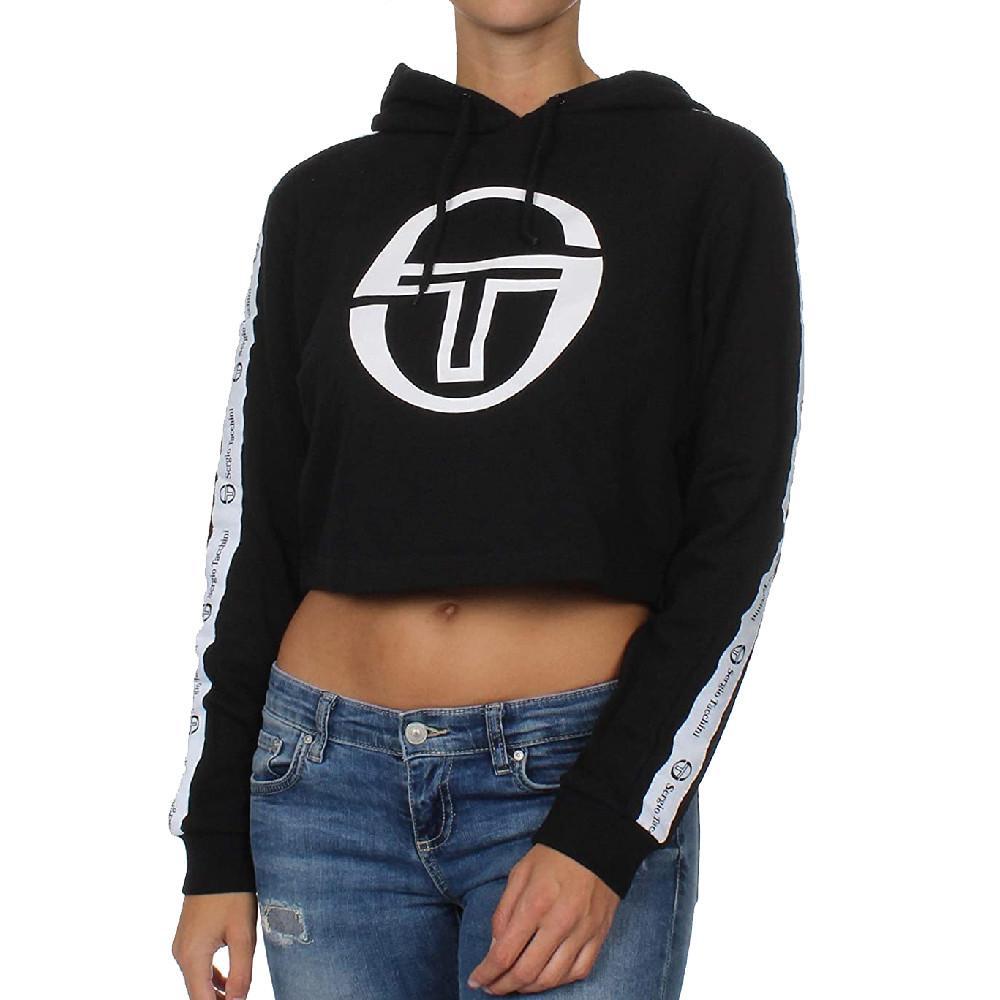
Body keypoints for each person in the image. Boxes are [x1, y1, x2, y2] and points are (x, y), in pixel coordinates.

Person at [169, 2, 804, 997]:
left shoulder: (713, 176)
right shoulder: (318, 200)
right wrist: (215, 841)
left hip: (566, 781)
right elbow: (253, 528)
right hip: (321, 794)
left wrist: (606, 827)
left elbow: (737, 529)